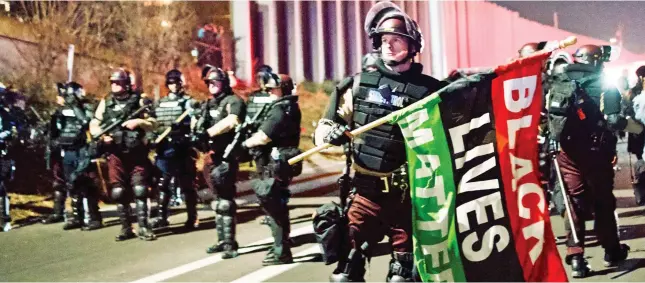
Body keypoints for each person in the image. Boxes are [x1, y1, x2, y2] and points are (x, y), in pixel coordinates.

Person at [313, 2, 444, 281]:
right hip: (364, 195)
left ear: (412, 45)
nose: (388, 45)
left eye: (396, 39)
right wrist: (331, 134)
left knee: (404, 277)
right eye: (384, 40)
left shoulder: (432, 92)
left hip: (409, 201)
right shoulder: (358, 85)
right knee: (345, 274)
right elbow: (323, 131)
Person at [549, 44, 631, 278]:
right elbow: (614, 120)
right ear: (596, 61)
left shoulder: (559, 80)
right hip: (596, 153)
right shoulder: (604, 83)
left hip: (566, 154)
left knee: (572, 203)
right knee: (603, 201)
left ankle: (576, 258)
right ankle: (611, 250)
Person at [89, 68, 157, 241]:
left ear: (126, 84)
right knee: (118, 191)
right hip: (115, 153)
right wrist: (103, 136)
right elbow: (95, 123)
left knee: (140, 189)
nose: (114, 85)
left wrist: (139, 122)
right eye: (112, 82)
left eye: (118, 82)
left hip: (136, 153)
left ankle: (144, 227)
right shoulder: (106, 102)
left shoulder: (139, 100)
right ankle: (126, 228)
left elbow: (153, 123)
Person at [243, 72, 301, 265]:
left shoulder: (280, 110)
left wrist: (245, 144)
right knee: (279, 207)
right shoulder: (289, 107)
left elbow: (263, 137)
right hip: (282, 163)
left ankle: (281, 251)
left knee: (274, 209)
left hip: (274, 164)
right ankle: (281, 246)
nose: (268, 92)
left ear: (282, 89)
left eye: (272, 89)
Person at [196, 67, 246, 258]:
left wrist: (209, 132)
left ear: (223, 83)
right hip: (210, 155)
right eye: (209, 82)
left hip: (227, 154)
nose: (211, 85)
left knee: (225, 201)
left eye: (215, 82)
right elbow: (200, 123)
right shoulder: (208, 104)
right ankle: (221, 240)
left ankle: (230, 244)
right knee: (217, 201)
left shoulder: (233, 101)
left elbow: (232, 121)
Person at [41, 82, 103, 231]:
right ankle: (77, 217)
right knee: (71, 183)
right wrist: (53, 140)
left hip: (83, 149)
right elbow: (56, 127)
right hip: (68, 150)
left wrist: (75, 106)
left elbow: (86, 122)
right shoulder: (62, 110)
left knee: (87, 182)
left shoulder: (86, 107)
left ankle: (95, 218)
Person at [149, 69, 199, 230]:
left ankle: (192, 217)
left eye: (176, 82)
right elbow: (153, 123)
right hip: (164, 148)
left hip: (182, 148)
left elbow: (196, 123)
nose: (174, 86)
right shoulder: (159, 103)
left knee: (187, 185)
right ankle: (162, 217)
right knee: (163, 184)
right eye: (171, 83)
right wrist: (152, 138)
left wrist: (185, 130)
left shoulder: (189, 103)